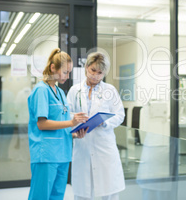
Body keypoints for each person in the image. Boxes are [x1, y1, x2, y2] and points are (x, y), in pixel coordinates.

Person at [27, 48, 88, 200]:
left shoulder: (60, 93)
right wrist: (71, 122)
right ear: (53, 68)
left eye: (69, 73)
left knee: (57, 196)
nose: (67, 76)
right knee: (40, 196)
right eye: (65, 72)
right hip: (46, 154)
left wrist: (74, 133)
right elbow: (42, 124)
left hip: (63, 153)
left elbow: (61, 123)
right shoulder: (41, 90)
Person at [67, 52, 125, 200]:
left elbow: (120, 115)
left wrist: (105, 122)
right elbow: (67, 115)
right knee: (83, 193)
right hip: (82, 146)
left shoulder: (110, 90)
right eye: (93, 70)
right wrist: (75, 124)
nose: (95, 76)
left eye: (100, 73)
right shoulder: (75, 91)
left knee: (108, 192)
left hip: (104, 146)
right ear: (86, 67)